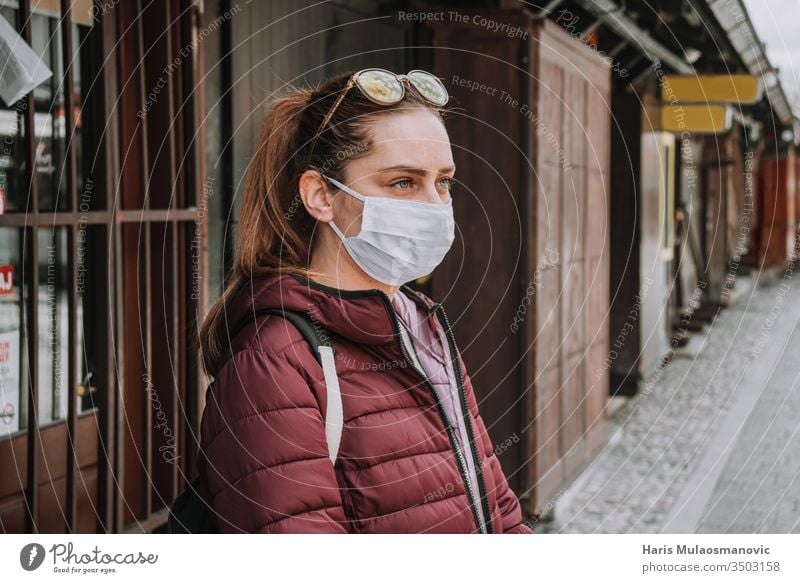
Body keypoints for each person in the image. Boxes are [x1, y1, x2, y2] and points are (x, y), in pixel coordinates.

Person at [196, 68, 533, 534]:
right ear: (320, 196)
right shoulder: (274, 359)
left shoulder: (418, 320)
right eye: (402, 182)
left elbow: (493, 498)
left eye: (444, 182)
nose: (435, 205)